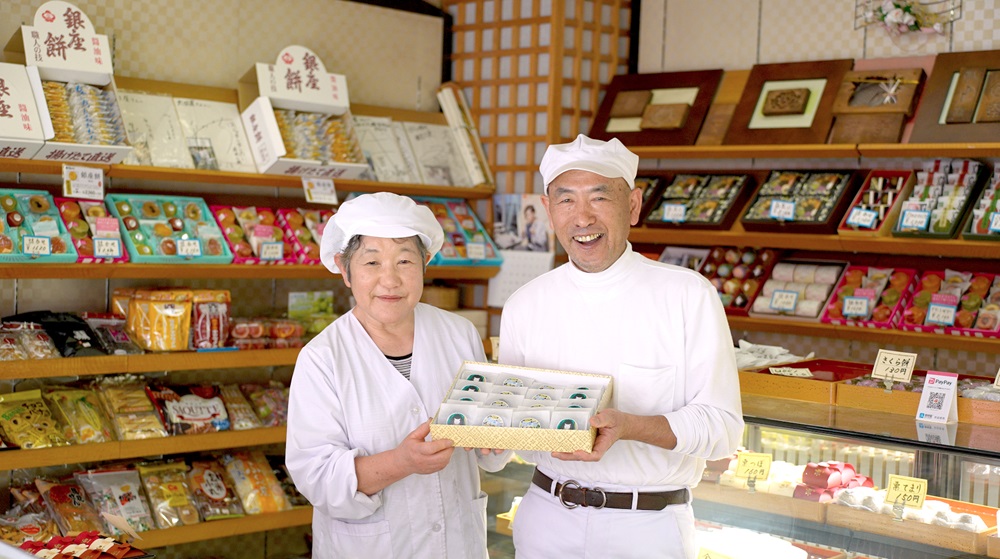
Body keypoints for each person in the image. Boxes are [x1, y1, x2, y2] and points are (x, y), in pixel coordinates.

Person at [498, 135, 744, 559]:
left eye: (599, 197)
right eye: (566, 200)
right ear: (547, 207)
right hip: (546, 518)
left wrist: (629, 426)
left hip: (646, 526)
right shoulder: (525, 303)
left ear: (632, 204)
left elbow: (723, 429)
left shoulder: (687, 295)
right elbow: (517, 432)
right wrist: (488, 431)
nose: (582, 218)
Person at [286, 192, 507, 559]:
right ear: (345, 269)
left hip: (458, 544)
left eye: (404, 261)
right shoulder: (322, 358)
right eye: (372, 262)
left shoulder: (460, 333)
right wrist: (402, 463)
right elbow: (319, 479)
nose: (389, 280)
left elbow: (490, 448)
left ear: (425, 265)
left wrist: (496, 437)